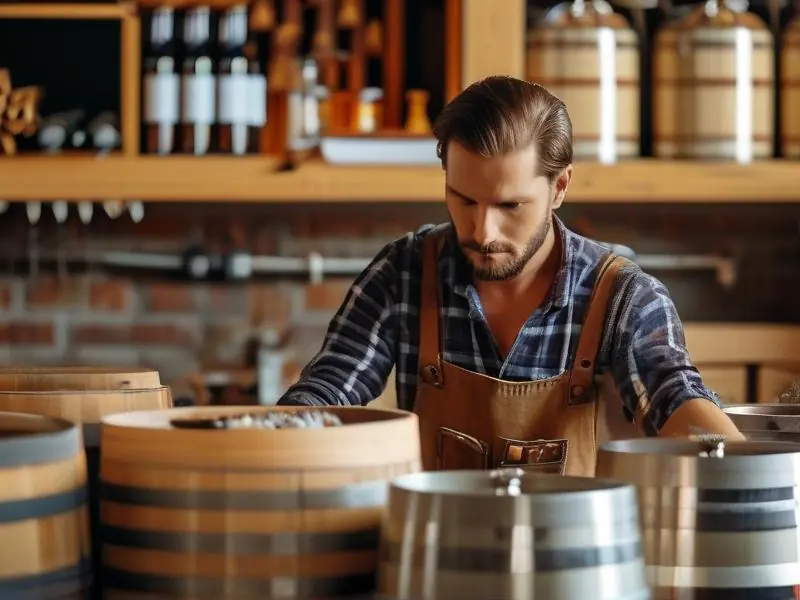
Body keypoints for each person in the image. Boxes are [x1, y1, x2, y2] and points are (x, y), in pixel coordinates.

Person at [278, 75, 744, 476]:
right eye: (464, 200)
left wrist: (752, 474)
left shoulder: (622, 296)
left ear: (559, 187)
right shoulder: (403, 273)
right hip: (433, 558)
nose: (483, 231)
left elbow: (673, 396)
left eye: (510, 206)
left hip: (576, 569)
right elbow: (330, 387)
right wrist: (272, 438)